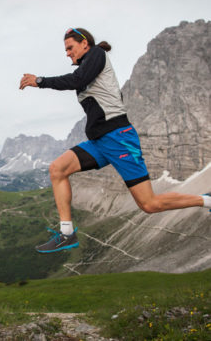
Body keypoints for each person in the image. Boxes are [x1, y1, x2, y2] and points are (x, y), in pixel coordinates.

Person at [19, 27, 211, 253]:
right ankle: (67, 233)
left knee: (149, 204)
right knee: (57, 169)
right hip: (100, 142)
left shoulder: (97, 55)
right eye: (66, 50)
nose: (67, 53)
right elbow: (85, 84)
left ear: (84, 44)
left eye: (70, 48)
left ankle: (206, 200)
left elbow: (76, 79)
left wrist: (39, 81)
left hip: (118, 138)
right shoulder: (87, 69)